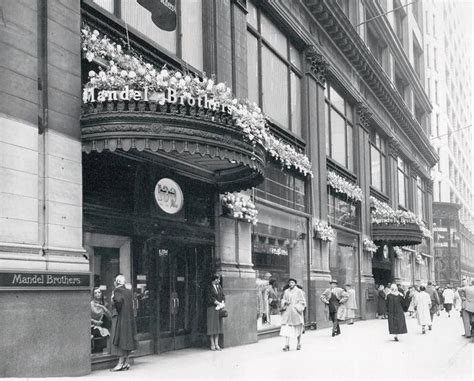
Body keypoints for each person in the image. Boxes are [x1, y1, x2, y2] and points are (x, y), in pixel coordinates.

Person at [110, 275, 137, 371]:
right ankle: (126, 362)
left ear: (116, 282)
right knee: (127, 339)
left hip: (121, 318)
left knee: (121, 339)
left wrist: (113, 300)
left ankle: (120, 363)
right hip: (129, 318)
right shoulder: (129, 291)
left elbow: (118, 302)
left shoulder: (117, 290)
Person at [280, 278, 306, 351]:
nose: (291, 284)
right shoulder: (286, 291)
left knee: (298, 328)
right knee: (287, 328)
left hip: (296, 312)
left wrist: (296, 307)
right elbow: (283, 299)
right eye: (290, 283)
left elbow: (302, 302)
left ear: (295, 283)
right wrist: (285, 302)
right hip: (288, 312)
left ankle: (298, 343)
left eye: (292, 282)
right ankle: (287, 345)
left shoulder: (299, 291)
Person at [207, 274, 225, 350]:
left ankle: (217, 344)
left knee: (217, 326)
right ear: (214, 280)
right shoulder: (209, 287)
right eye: (217, 279)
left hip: (219, 308)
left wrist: (223, 303)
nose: (219, 281)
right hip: (212, 308)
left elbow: (223, 295)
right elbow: (210, 297)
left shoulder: (219, 287)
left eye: (219, 279)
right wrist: (218, 303)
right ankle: (212, 344)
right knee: (212, 326)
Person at [91, 287, 112, 353]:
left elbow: (109, 316)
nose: (98, 294)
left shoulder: (103, 304)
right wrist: (94, 321)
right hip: (91, 326)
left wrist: (103, 307)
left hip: (101, 326)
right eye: (95, 293)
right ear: (93, 295)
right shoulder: (91, 304)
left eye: (99, 292)